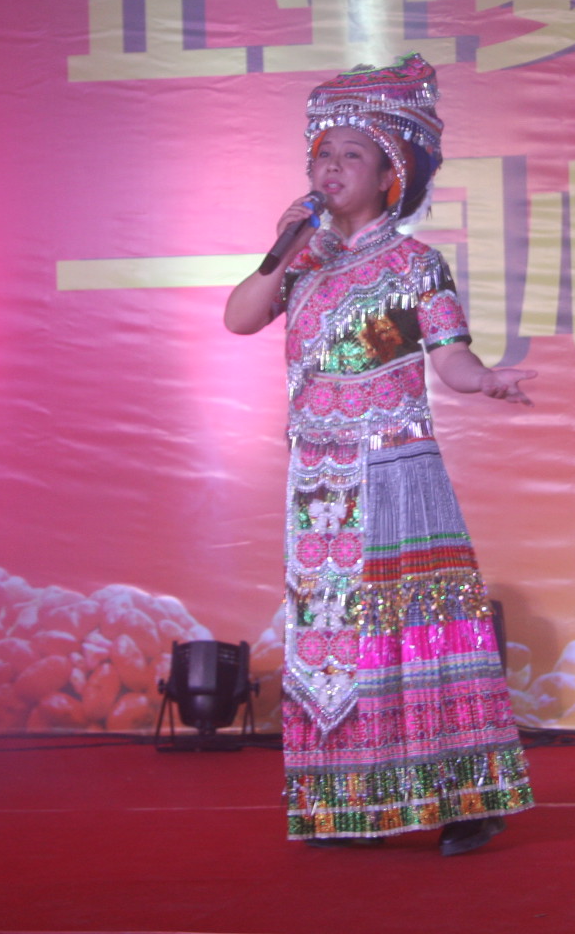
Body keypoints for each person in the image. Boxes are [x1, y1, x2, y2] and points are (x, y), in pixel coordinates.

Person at [223, 54, 536, 855]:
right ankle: (348, 804)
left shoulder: (414, 264)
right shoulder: (304, 264)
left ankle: (464, 801)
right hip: (320, 482)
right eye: (321, 155)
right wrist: (283, 251)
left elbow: (448, 358)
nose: (330, 167)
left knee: (417, 632)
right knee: (333, 644)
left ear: (391, 174)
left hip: (395, 469)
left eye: (351, 155)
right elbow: (238, 317)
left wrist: (485, 380)